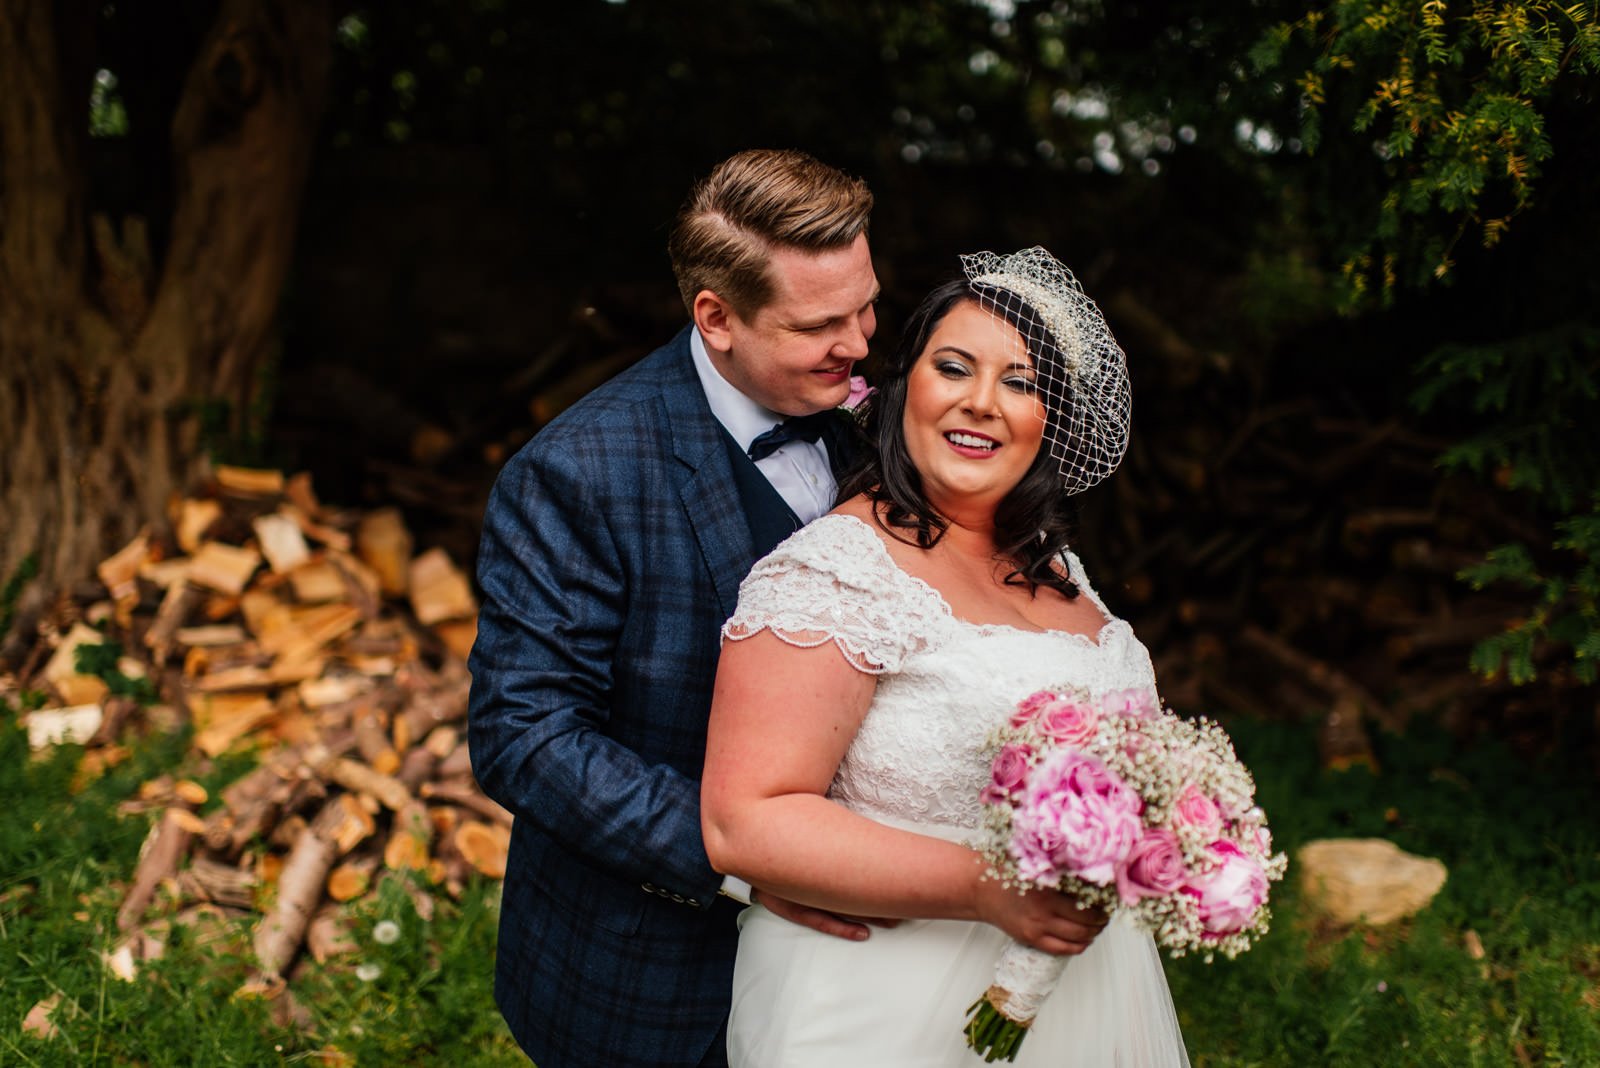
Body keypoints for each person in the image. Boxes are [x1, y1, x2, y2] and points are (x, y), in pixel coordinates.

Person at [701, 247, 1192, 1065]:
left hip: (1079, 1000)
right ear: (905, 389)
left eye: (1020, 383)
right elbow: (743, 821)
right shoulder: (837, 569)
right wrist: (989, 888)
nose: (981, 402)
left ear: (1050, 419)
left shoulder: (1063, 574)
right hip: (879, 1007)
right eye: (954, 367)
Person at [467, 149, 885, 1068]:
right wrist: (752, 858)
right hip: (653, 975)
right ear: (716, 317)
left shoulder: (877, 429)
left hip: (868, 970)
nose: (859, 345)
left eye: (865, 307)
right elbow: (523, 734)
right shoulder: (577, 472)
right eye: (820, 325)